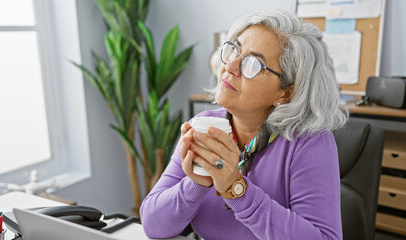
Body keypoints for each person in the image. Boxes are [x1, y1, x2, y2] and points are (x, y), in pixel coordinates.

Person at [140, 8, 347, 240]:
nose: (229, 67)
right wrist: (196, 183)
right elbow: (152, 225)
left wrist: (236, 188)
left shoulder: (310, 142)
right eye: (233, 50)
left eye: (251, 64)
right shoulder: (203, 126)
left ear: (286, 92)